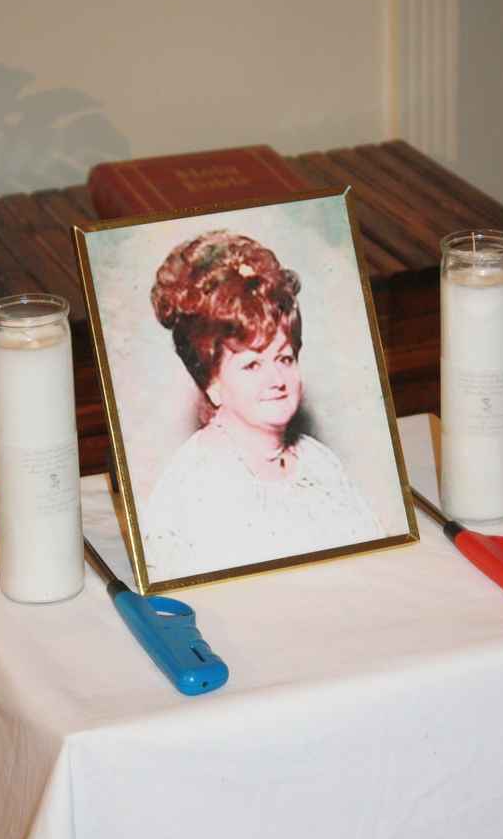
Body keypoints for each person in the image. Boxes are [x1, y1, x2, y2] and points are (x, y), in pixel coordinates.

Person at [145, 229, 385, 581]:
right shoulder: (196, 485)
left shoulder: (319, 464)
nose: (276, 379)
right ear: (212, 383)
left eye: (285, 358)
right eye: (252, 364)